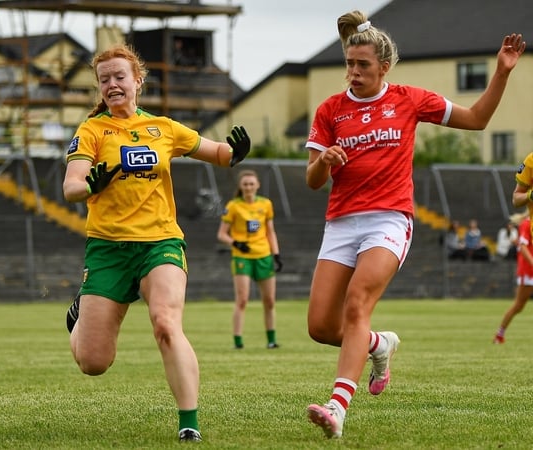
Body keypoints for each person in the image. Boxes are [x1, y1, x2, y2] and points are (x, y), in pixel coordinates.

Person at [303, 9, 524, 439]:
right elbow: (312, 181)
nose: (353, 72)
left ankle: (337, 407)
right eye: (349, 64)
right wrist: (324, 162)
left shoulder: (409, 99)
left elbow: (477, 119)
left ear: (384, 67)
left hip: (389, 218)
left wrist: (500, 72)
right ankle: (378, 345)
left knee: (357, 304)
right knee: (320, 328)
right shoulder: (331, 109)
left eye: (362, 65)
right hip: (341, 223)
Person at [61, 43, 250, 443]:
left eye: (119, 77)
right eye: (104, 79)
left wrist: (234, 153)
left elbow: (214, 151)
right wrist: (90, 183)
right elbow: (71, 186)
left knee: (166, 322)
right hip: (108, 250)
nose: (112, 85)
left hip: (159, 243)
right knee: (94, 362)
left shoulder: (163, 128)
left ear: (137, 81)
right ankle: (78, 318)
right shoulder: (92, 131)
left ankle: (189, 423)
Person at [216, 169, 282, 349]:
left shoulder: (266, 204)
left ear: (258, 185)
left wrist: (276, 254)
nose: (248, 187)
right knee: (242, 299)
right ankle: (238, 341)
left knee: (269, 300)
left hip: (263, 255)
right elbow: (221, 234)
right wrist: (236, 243)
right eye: (245, 184)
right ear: (240, 186)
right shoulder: (233, 206)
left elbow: (270, 231)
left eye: (252, 184)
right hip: (242, 257)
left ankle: (271, 340)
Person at [493, 215, 533, 344]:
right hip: (528, 271)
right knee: (518, 306)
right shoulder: (527, 223)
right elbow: (523, 246)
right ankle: (499, 334)